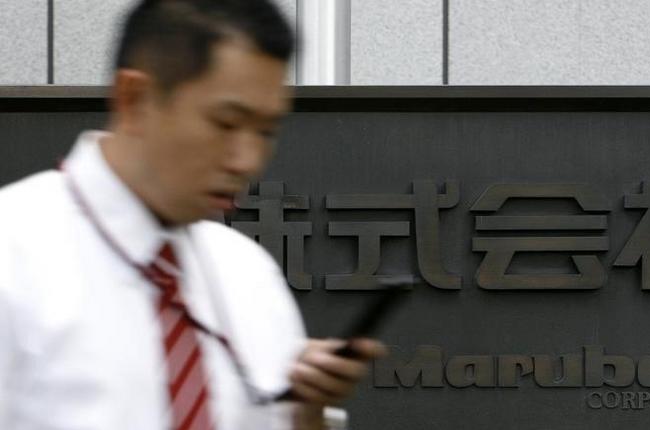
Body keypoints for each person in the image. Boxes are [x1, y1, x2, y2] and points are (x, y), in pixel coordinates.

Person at [0, 0, 384, 429]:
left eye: (266, 131)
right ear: (135, 99)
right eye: (225, 123)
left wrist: (307, 411)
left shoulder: (248, 274)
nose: (247, 160)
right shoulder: (12, 254)